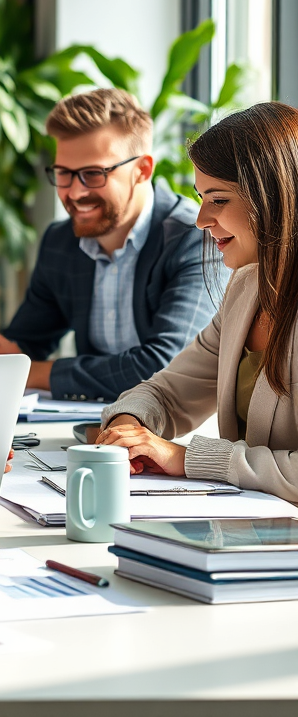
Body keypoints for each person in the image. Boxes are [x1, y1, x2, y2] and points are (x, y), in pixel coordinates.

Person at [96, 102, 298, 502]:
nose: (201, 219)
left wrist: (188, 457)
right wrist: (128, 427)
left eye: (218, 200)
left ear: (276, 198)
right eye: (201, 197)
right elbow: (170, 392)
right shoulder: (247, 287)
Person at [0, 89, 216, 402]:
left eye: (93, 174)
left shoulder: (195, 237)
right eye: (64, 174)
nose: (74, 193)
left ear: (142, 170)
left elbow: (166, 367)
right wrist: (0, 357)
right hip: (92, 420)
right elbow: (23, 345)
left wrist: (30, 372)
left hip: (175, 424)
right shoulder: (61, 242)